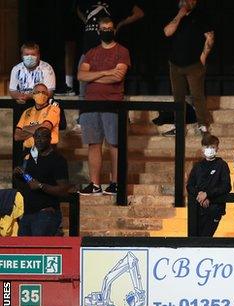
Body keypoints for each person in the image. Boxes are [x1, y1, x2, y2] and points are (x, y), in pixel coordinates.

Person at [77, 17, 131, 196]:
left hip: (112, 103)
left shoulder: (122, 51)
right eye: (104, 28)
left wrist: (94, 75)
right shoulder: (91, 52)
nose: (107, 30)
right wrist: (106, 71)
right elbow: (81, 76)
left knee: (114, 144)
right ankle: (95, 184)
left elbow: (117, 77)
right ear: (99, 31)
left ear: (114, 30)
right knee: (94, 144)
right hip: (91, 104)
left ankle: (115, 183)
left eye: (110, 28)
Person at [163, 0, 215, 136]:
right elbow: (167, 32)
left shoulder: (200, 15)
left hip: (194, 65)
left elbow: (209, 37)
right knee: (178, 96)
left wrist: (204, 56)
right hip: (175, 64)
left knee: (197, 96)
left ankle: (203, 126)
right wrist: (180, 15)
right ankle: (179, 126)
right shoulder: (175, 14)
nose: (189, 2)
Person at [76, 0, 143, 97]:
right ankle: (84, 110)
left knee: (107, 87)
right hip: (87, 51)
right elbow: (81, 76)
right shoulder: (88, 2)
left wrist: (121, 24)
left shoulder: (117, 2)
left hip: (109, 51)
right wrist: (86, 20)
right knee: (83, 93)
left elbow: (139, 13)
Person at [13, 127, 71, 236]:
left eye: (42, 137)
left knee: (39, 249)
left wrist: (41, 186)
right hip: (27, 214)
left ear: (49, 138)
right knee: (23, 250)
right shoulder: (29, 159)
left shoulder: (57, 160)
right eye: (36, 137)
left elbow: (63, 190)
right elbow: (27, 185)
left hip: (46, 214)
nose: (39, 140)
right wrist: (18, 175)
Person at [186, 135, 232, 237]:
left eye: (212, 147)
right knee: (194, 239)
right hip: (197, 209)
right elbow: (190, 186)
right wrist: (200, 195)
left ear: (217, 148)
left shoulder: (222, 165)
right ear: (202, 148)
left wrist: (207, 194)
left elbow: (226, 186)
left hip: (215, 209)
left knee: (206, 238)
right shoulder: (197, 166)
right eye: (207, 147)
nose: (209, 150)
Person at [14, 83, 61, 150]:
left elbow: (45, 129)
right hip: (28, 151)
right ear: (33, 95)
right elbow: (17, 136)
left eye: (44, 92)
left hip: (47, 150)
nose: (41, 94)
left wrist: (26, 128)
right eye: (38, 92)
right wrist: (39, 129)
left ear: (47, 95)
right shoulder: (27, 112)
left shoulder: (53, 109)